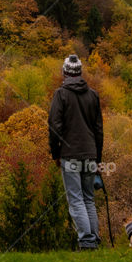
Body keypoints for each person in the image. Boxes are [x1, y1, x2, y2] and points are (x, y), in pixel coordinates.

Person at [48, 54, 104, 250]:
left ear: (64, 72)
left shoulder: (61, 95)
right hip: (90, 154)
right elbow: (98, 130)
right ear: (80, 73)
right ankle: (94, 240)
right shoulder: (93, 95)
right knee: (89, 198)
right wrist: (98, 159)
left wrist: (55, 153)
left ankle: (87, 242)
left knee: (76, 199)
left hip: (70, 154)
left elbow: (55, 126)